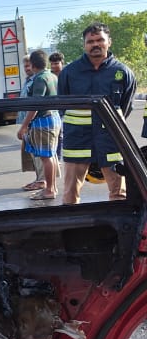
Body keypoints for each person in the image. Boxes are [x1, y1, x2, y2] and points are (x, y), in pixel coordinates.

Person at [58, 23, 136, 204]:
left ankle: (119, 230)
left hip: (112, 139)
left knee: (119, 194)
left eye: (100, 40)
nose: (95, 44)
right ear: (84, 45)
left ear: (109, 42)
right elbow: (62, 105)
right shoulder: (69, 72)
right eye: (90, 41)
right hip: (77, 140)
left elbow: (126, 107)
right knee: (70, 192)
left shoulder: (123, 72)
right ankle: (71, 228)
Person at [16, 49, 60, 200]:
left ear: (33, 64)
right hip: (53, 117)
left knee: (45, 157)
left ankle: (49, 190)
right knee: (51, 156)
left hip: (43, 121)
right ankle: (51, 187)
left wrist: (24, 126)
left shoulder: (40, 79)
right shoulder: (52, 76)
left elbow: (35, 104)